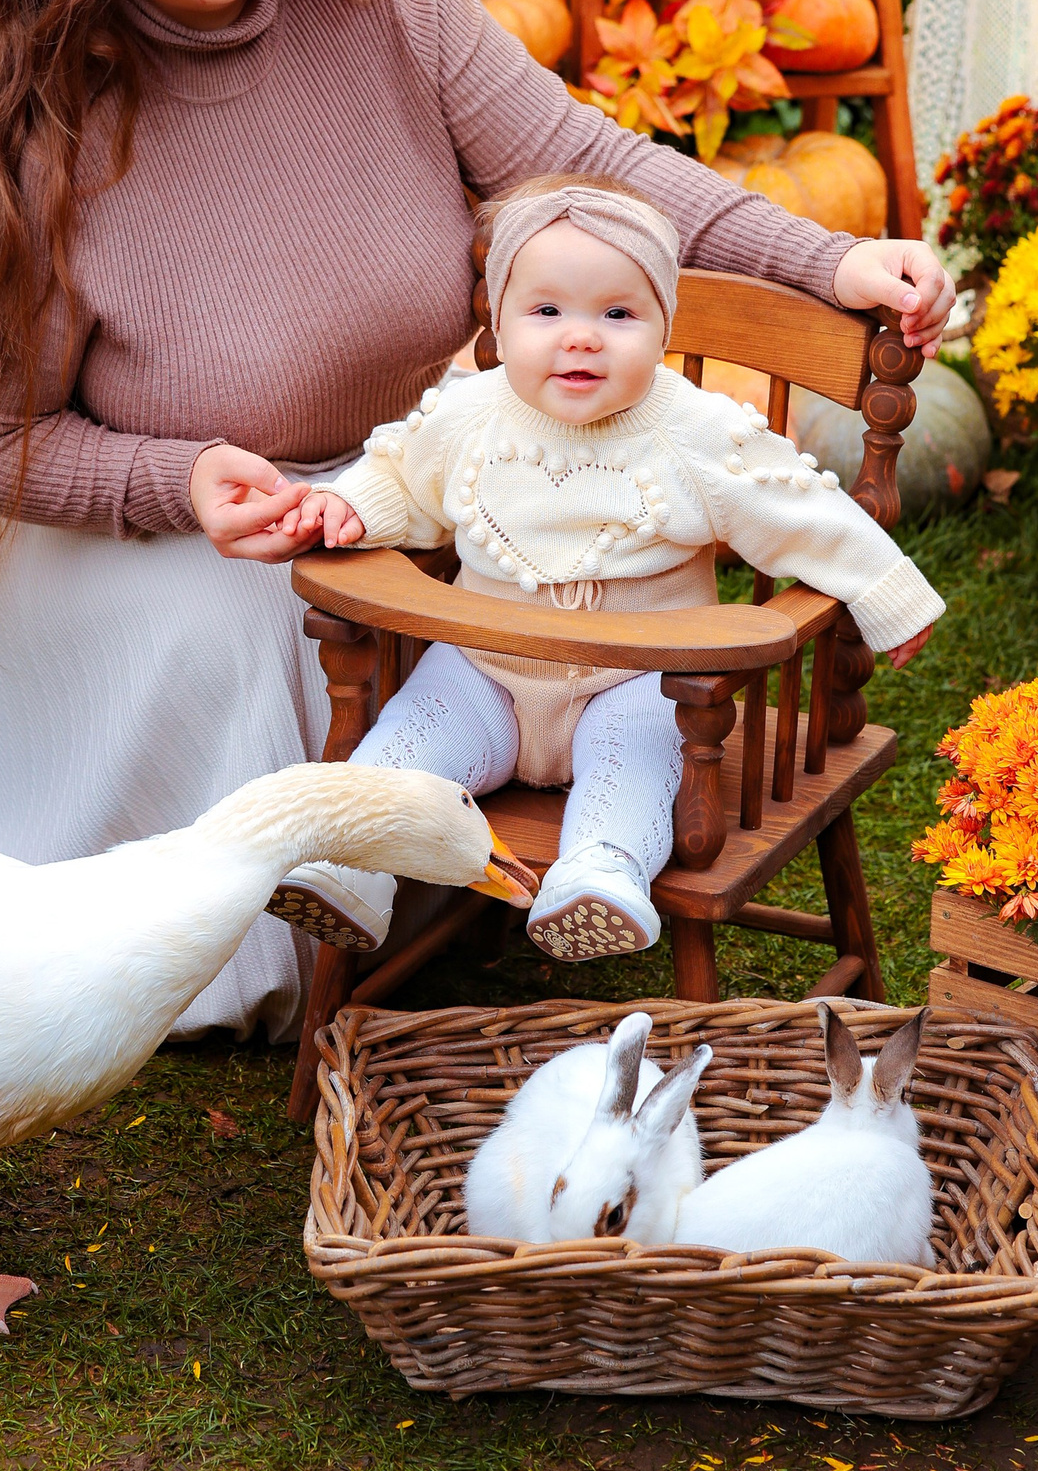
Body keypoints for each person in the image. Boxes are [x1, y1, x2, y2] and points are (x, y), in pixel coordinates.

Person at [0, 0, 956, 1038]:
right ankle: (268, 912)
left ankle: (446, 867)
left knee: (482, 589)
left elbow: (584, 162)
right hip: (151, 535)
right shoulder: (29, 108)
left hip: (400, 478)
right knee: (281, 624)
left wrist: (830, 257)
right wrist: (175, 479)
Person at [270, 179, 944, 962]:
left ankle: (599, 875)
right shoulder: (470, 413)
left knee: (636, 765)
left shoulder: (694, 431)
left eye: (618, 314)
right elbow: (400, 473)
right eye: (546, 311)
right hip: (483, 673)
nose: (582, 338)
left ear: (664, 327)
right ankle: (350, 862)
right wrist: (352, 507)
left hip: (636, 683)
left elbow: (801, 510)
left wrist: (887, 594)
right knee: (406, 744)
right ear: (498, 321)